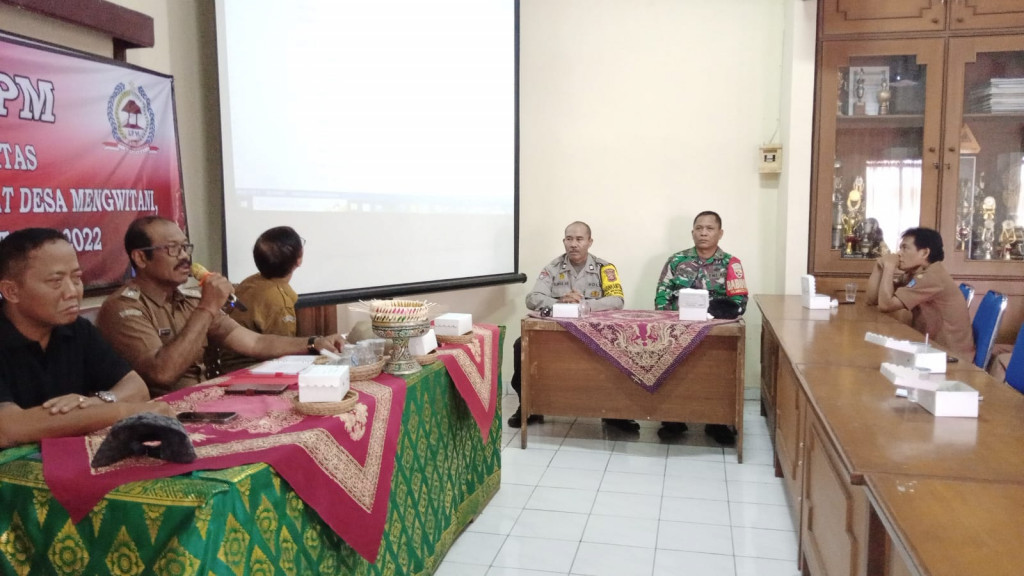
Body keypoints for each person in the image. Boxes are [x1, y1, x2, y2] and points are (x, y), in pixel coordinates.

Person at [97, 216, 344, 397]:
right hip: (163, 416)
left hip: (208, 401)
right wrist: (207, 307)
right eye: (173, 249)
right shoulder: (123, 308)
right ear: (140, 257)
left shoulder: (188, 300)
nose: (184, 256)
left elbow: (254, 342)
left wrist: (313, 343)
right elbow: (162, 374)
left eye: (185, 247)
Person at [0, 228, 174, 448]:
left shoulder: (76, 329)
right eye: (56, 282)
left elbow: (136, 388)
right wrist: (124, 411)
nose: (72, 292)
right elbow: (9, 428)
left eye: (77, 278)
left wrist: (92, 403)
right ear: (11, 291)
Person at [507, 221, 627, 429]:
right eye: (569, 239)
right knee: (520, 346)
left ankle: (614, 412)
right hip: (556, 335)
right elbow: (533, 298)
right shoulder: (552, 268)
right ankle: (528, 406)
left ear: (590, 242)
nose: (574, 244)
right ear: (564, 241)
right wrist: (559, 302)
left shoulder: (604, 268)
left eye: (579, 239)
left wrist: (584, 305)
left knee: (621, 346)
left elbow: (617, 300)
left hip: (595, 334)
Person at [654, 211, 748, 444]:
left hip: (715, 333)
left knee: (719, 373)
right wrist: (671, 326)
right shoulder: (677, 260)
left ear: (720, 233)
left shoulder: (731, 263)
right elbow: (661, 299)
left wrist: (707, 314)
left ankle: (717, 422)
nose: (703, 232)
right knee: (673, 371)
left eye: (709, 228)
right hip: (678, 331)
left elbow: (739, 303)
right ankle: (674, 419)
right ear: (693, 232)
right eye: (699, 228)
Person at [865, 227, 974, 359]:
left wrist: (889, 267)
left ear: (924, 253)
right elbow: (873, 300)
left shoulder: (931, 277)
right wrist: (878, 266)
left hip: (950, 356)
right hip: (930, 348)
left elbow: (885, 305)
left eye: (905, 248)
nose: (899, 253)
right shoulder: (916, 273)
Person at [217, 226, 304, 373]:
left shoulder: (250, 282)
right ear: (299, 259)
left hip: (229, 368)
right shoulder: (279, 301)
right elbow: (283, 352)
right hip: (250, 371)